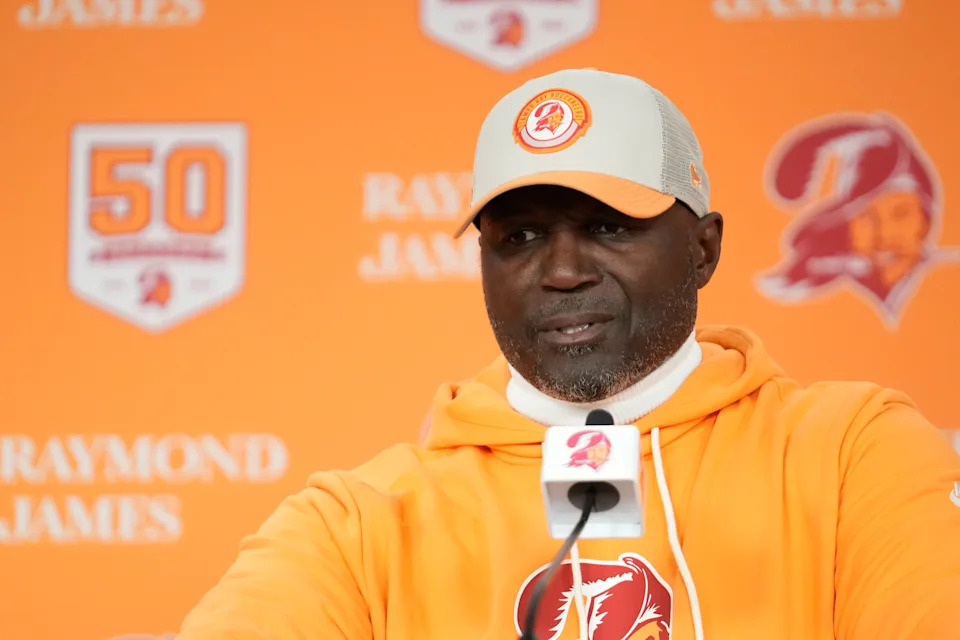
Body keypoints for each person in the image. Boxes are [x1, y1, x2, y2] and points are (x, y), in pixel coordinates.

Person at [176, 69, 960, 640]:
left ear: (704, 249)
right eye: (518, 237)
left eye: (609, 226)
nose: (560, 271)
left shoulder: (853, 451)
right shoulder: (357, 523)